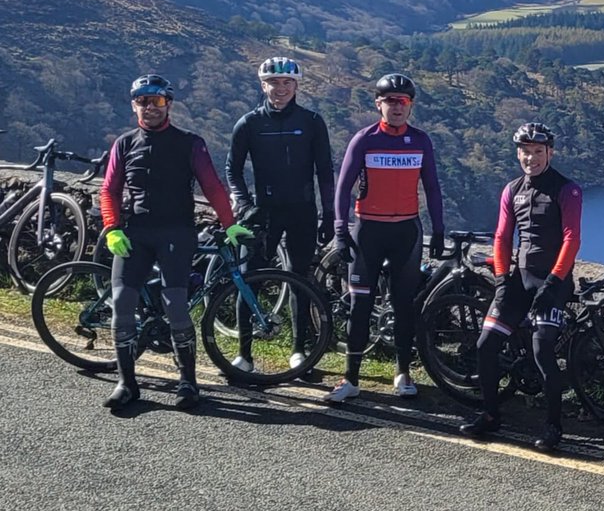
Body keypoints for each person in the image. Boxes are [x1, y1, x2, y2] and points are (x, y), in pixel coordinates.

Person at [98, 74, 252, 410]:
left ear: (168, 104)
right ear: (134, 105)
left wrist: (230, 225)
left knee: (175, 305)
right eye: (143, 101)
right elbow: (109, 190)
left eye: (157, 101)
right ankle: (127, 383)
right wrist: (112, 228)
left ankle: (188, 382)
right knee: (122, 302)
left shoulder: (190, 143)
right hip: (136, 233)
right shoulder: (124, 144)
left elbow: (212, 186)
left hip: (177, 232)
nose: (150, 107)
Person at [460, 123, 582, 451]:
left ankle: (553, 426)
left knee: (542, 350)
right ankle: (490, 415)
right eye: (525, 152)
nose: (531, 158)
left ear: (550, 153)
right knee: (486, 344)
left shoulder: (567, 190)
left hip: (553, 282)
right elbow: (502, 237)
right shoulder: (512, 190)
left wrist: (553, 283)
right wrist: (502, 280)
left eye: (538, 152)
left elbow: (571, 239)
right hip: (520, 279)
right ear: (518, 154)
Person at [324, 73, 445, 403]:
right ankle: (350, 378)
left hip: (407, 231)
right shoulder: (364, 139)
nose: (397, 107)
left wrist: (439, 229)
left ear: (411, 105)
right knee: (360, 305)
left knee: (404, 305)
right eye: (390, 101)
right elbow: (343, 188)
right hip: (368, 232)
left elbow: (432, 188)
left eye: (403, 101)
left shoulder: (420, 141)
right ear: (379, 104)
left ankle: (403, 373)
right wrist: (340, 230)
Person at [226, 56, 335, 373]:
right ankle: (244, 355)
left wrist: (329, 214)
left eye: (287, 82)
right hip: (263, 212)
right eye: (274, 82)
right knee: (250, 279)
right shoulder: (249, 123)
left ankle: (299, 350)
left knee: (300, 280)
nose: (281, 88)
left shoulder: (312, 121)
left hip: (302, 210)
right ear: (263, 86)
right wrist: (244, 204)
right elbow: (232, 170)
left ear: (296, 86)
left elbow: (324, 171)